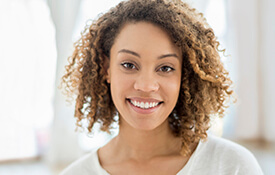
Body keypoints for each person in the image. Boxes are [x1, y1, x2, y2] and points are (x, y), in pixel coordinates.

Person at [60, 0, 263, 174]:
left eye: (165, 68)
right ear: (106, 69)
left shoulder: (231, 166)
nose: (146, 86)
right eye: (129, 65)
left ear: (185, 74)